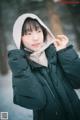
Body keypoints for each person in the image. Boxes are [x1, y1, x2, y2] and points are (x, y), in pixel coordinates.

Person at [8, 13, 80, 120]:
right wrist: (20, 68)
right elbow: (36, 102)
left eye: (39, 31)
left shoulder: (56, 54)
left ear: (44, 32)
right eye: (28, 33)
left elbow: (77, 81)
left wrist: (64, 52)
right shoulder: (22, 67)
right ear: (19, 38)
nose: (36, 37)